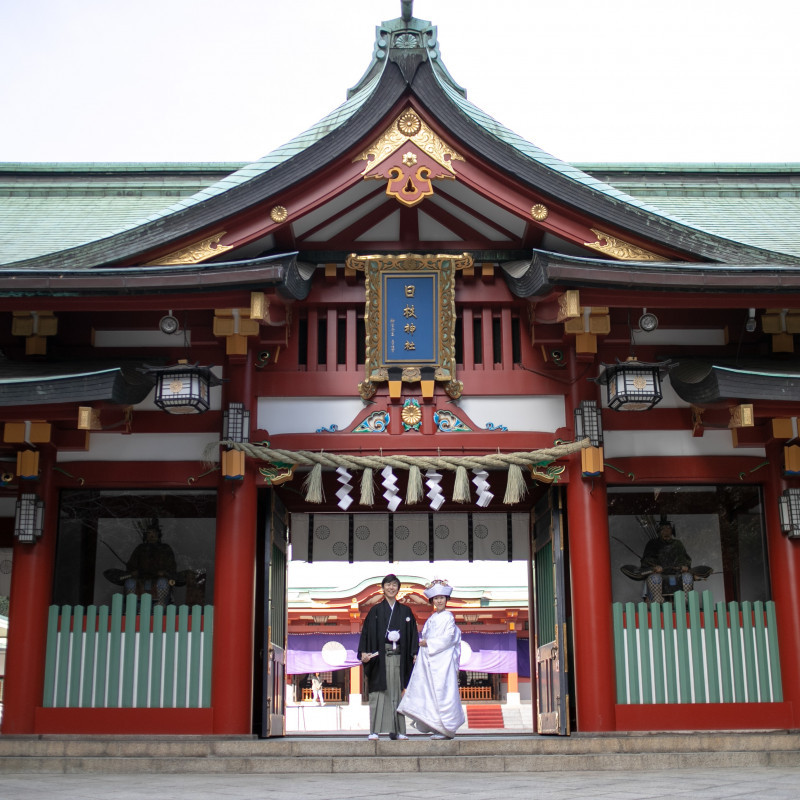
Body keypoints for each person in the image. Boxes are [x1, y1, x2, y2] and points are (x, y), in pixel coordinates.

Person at [397, 578, 465, 740]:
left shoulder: (448, 617)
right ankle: (436, 726)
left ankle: (446, 728)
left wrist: (429, 643)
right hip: (430, 661)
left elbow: (448, 638)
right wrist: (420, 652)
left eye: (442, 597)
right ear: (432, 600)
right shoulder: (431, 619)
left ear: (446, 599)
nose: (439, 600)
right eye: (436, 598)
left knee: (443, 693)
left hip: (443, 663)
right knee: (430, 693)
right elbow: (424, 638)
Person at [357, 573, 419, 740]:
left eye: (394, 585)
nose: (391, 588)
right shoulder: (375, 611)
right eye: (388, 585)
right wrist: (363, 651)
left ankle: (399, 731)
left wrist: (414, 653)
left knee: (398, 693)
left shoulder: (406, 611)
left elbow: (413, 634)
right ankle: (374, 731)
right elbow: (366, 633)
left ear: (398, 589)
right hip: (380, 658)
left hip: (399, 657)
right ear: (382, 588)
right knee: (379, 694)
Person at [123, 519, 177, 607]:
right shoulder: (140, 548)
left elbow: (172, 568)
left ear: (158, 535)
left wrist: (164, 573)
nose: (152, 536)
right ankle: (131, 606)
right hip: (140, 580)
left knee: (163, 582)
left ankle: (161, 604)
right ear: (146, 535)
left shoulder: (165, 548)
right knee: (130, 582)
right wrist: (133, 572)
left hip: (159, 581)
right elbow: (131, 566)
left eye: (154, 533)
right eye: (149, 533)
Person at [641, 520, 693, 603]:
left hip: (677, 574)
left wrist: (685, 566)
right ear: (659, 531)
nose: (666, 530)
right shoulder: (653, 543)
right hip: (659, 574)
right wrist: (654, 567)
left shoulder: (678, 544)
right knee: (654, 578)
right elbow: (646, 559)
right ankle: (658, 601)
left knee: (688, 577)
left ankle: (685, 601)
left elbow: (684, 559)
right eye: (663, 528)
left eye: (668, 528)